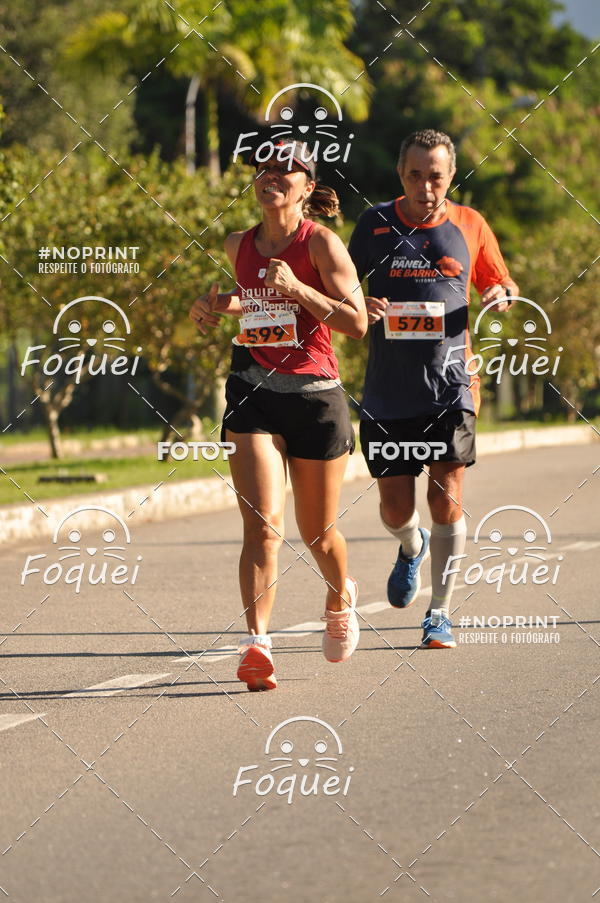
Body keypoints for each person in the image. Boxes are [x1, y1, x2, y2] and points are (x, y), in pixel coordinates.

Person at [190, 140, 367, 690]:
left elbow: (357, 322)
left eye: (284, 171)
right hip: (253, 394)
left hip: (316, 397)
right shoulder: (237, 242)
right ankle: (257, 645)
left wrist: (299, 288)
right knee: (263, 526)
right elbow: (257, 301)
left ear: (307, 186)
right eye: (262, 169)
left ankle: (340, 597)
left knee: (317, 533)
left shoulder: (322, 244)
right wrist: (218, 306)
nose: (270, 177)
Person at [348, 128, 519, 649]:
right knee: (395, 508)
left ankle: (439, 613)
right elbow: (342, 286)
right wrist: (362, 304)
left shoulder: (471, 224)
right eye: (415, 176)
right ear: (401, 175)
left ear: (450, 177)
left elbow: (502, 284)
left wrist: (497, 293)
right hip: (387, 390)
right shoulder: (374, 224)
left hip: (451, 385)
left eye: (436, 177)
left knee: (448, 497)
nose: (426, 187)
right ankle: (409, 545)